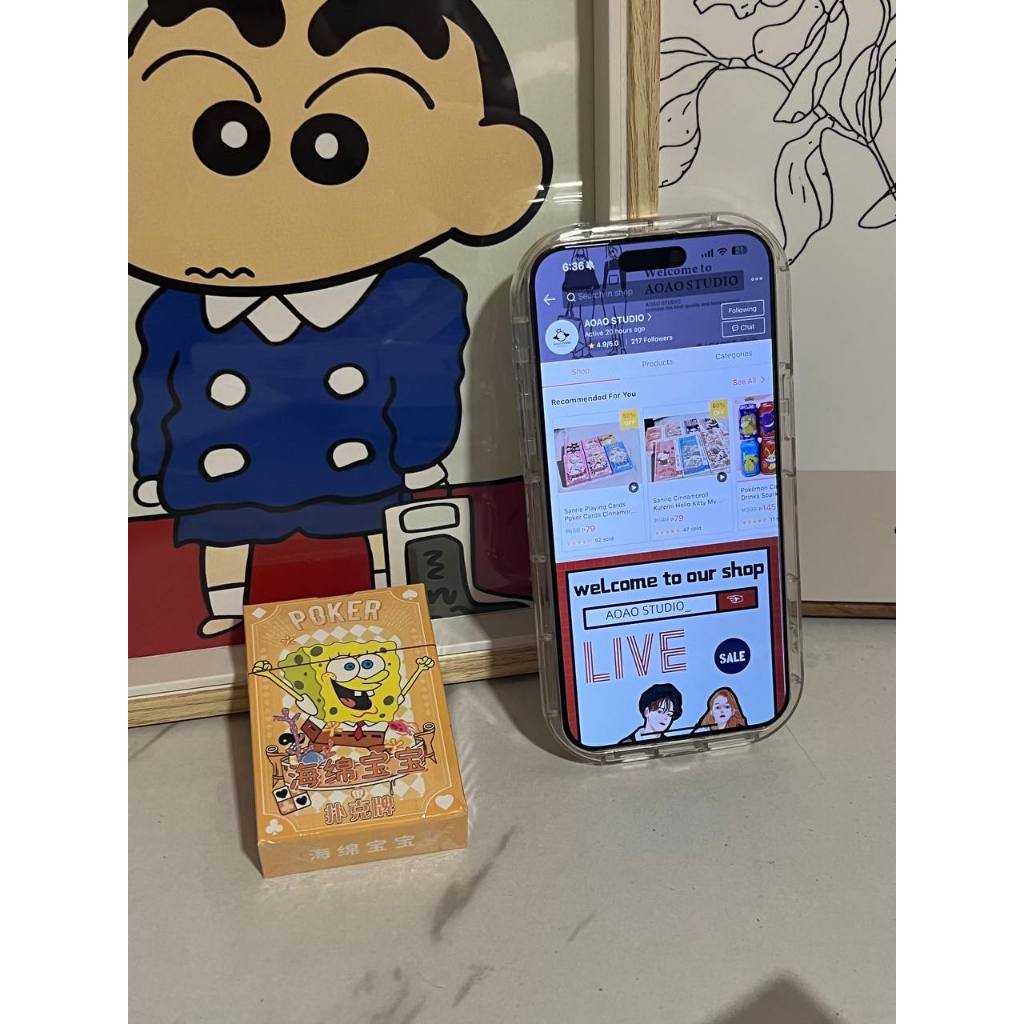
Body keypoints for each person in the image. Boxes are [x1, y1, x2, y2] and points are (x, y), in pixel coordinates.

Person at [128, 0, 551, 635]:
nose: (270, 196)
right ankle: (225, 608)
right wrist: (152, 461)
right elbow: (157, 388)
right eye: (226, 137)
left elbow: (426, 383)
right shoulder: (180, 309)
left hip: (358, 462)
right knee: (228, 522)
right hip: (222, 470)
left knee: (370, 516)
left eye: (333, 150)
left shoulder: (414, 298)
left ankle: (388, 590)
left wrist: (420, 453)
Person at [619, 683, 683, 744]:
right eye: (660, 711)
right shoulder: (626, 744)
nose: (665, 718)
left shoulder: (670, 745)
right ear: (647, 712)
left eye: (669, 714)